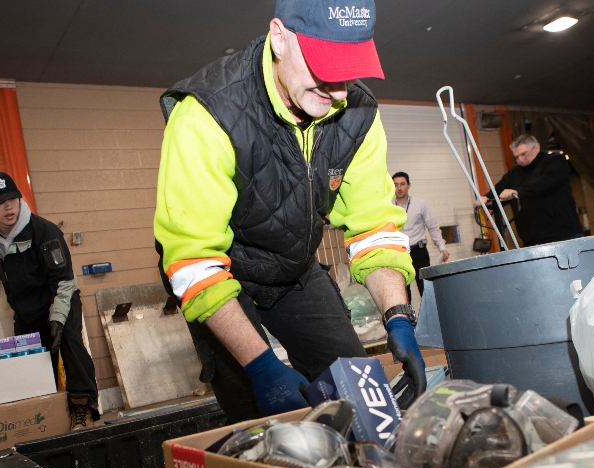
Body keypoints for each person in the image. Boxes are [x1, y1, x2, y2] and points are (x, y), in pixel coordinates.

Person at [154, 0, 427, 423]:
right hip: (220, 276)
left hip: (294, 268)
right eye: (323, 68)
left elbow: (373, 228)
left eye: (348, 70)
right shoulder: (208, 115)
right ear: (279, 38)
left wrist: (398, 316)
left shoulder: (358, 114)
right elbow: (195, 262)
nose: (338, 92)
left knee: (359, 393)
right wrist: (261, 366)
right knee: (257, 416)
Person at [0, 172, 99, 430]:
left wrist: (56, 320)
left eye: (12, 198)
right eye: (0, 201)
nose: (8, 206)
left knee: (69, 342)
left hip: (60, 299)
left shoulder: (44, 231)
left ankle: (83, 410)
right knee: (30, 360)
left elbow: (63, 282)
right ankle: (44, 418)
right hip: (24, 308)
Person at [479, 135, 584, 246]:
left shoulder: (555, 161)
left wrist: (518, 192)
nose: (520, 160)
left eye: (524, 154)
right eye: (517, 157)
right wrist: (486, 199)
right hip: (532, 241)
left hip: (564, 236)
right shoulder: (513, 175)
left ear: (537, 148)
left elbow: (546, 182)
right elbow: (498, 191)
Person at [392, 172, 449, 301]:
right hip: (399, 254)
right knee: (403, 292)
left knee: (426, 289)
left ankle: (430, 320)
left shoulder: (419, 204)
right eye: (395, 185)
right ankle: (409, 321)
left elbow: (433, 226)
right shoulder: (388, 207)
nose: (399, 188)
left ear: (409, 185)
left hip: (419, 251)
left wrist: (442, 247)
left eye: (402, 184)